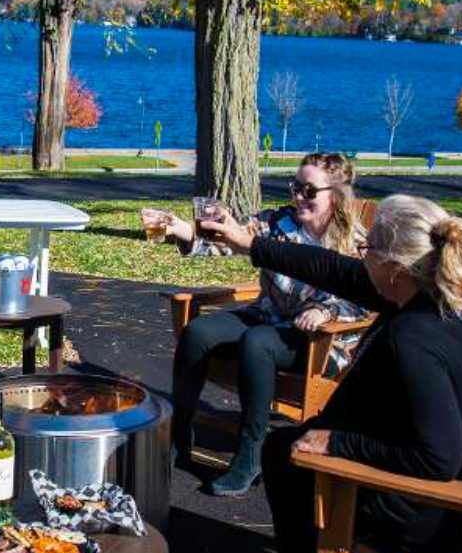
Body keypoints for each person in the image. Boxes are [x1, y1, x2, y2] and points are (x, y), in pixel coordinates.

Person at [203, 194, 462, 553]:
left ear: (393, 268)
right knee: (291, 446)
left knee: (287, 455)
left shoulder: (412, 336)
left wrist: (337, 444)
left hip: (434, 518)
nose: (358, 252)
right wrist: (249, 243)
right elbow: (335, 270)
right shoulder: (440, 299)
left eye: (366, 247)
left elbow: (438, 460)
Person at [153, 153, 367, 497]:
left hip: (320, 340)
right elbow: (232, 240)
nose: (298, 196)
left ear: (337, 195)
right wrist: (180, 229)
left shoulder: (355, 242)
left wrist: (327, 312)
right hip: (268, 317)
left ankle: (250, 455)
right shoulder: (280, 222)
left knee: (258, 342)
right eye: (296, 187)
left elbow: (368, 298)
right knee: (198, 333)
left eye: (309, 191)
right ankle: (180, 434)